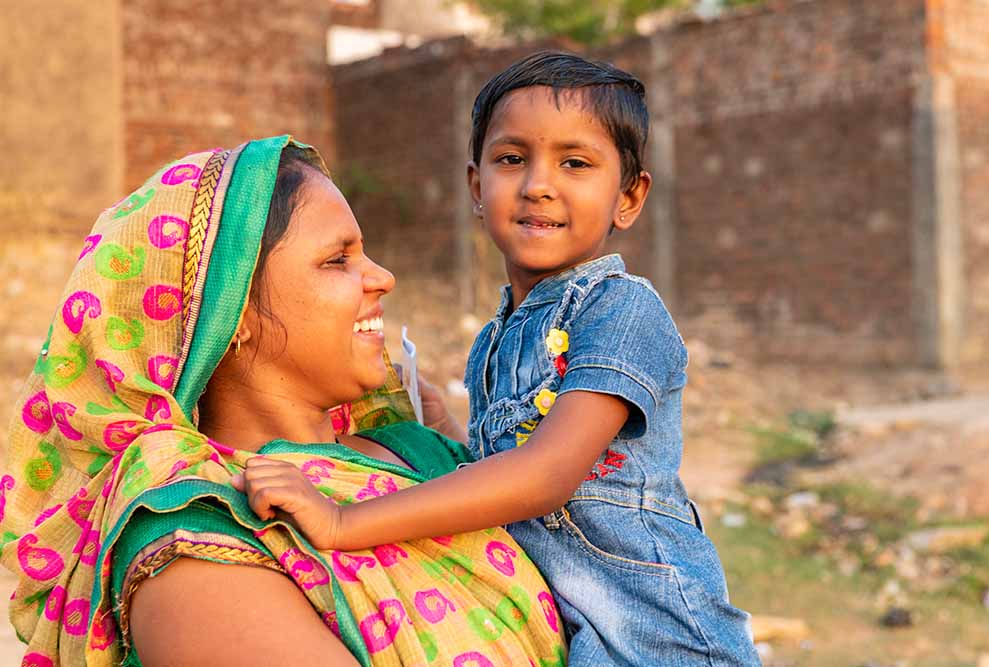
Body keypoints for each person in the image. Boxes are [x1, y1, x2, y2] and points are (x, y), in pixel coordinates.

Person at [231, 54, 762, 665]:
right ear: (478, 188)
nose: (538, 183)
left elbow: (544, 477)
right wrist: (447, 430)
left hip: (658, 633)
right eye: (512, 159)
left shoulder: (622, 312)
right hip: (574, 631)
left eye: (575, 163)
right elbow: (501, 474)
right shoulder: (494, 339)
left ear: (629, 197)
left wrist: (342, 524)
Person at [0, 136, 568, 667]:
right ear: (235, 315)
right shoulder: (197, 541)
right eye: (337, 259)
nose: (383, 277)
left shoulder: (416, 448)